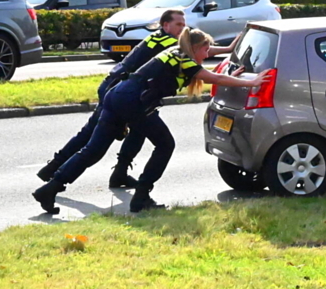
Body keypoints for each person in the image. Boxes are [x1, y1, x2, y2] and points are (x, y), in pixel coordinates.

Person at [32, 29, 266, 214]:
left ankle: (50, 188)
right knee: (165, 144)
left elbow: (210, 74)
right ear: (196, 48)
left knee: (92, 150)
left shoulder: (177, 53)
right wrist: (252, 82)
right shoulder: (184, 59)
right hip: (134, 102)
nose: (207, 55)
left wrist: (232, 72)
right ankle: (141, 196)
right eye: (205, 51)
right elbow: (213, 76)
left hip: (117, 95)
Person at [36, 9, 234, 188]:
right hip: (120, 90)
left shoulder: (159, 38)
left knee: (137, 131)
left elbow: (195, 49)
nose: (183, 28)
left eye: (184, 24)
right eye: (178, 25)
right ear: (166, 25)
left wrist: (225, 50)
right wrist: (226, 49)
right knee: (92, 138)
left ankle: (118, 173)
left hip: (121, 88)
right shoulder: (169, 42)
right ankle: (54, 171)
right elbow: (194, 49)